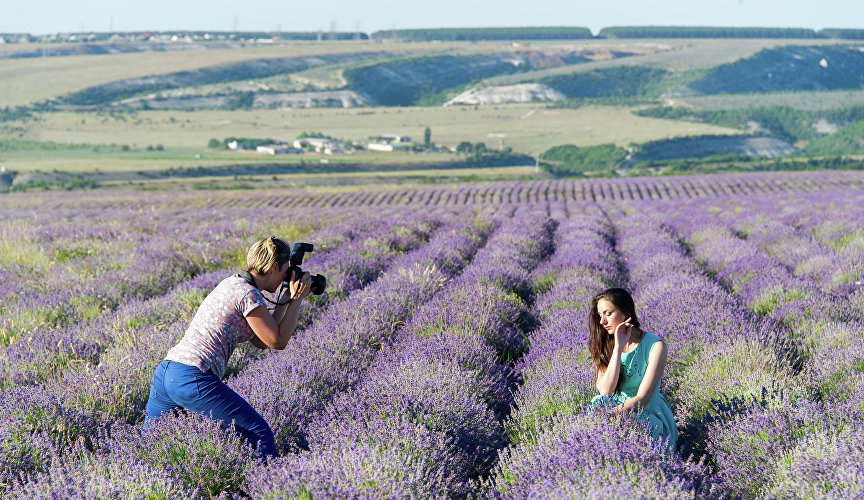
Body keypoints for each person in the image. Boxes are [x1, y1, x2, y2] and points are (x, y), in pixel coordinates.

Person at [143, 236, 313, 459]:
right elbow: (277, 342)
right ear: (273, 267)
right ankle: (272, 487)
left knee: (152, 449)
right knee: (259, 433)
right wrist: (297, 299)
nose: (285, 278)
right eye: (284, 271)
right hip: (193, 376)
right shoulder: (248, 294)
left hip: (168, 373)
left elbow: (261, 340)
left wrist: (286, 298)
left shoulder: (233, 284)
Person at [588, 287, 678, 451]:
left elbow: (642, 399)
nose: (602, 321)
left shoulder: (655, 346)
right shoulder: (605, 343)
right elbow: (605, 392)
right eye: (600, 315)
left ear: (625, 311)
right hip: (616, 409)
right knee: (597, 402)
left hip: (647, 414)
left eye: (608, 313)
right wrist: (617, 348)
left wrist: (608, 416)